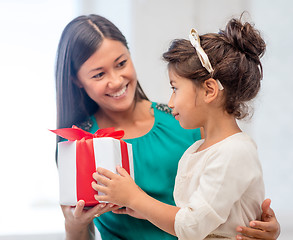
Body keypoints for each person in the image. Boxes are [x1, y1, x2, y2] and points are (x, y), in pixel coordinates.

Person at [55, 14, 280, 240]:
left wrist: (262, 227)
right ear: (77, 80)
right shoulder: (79, 147)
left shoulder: (186, 120)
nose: (116, 80)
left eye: (121, 63)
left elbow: (230, 199)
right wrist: (73, 226)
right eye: (99, 74)